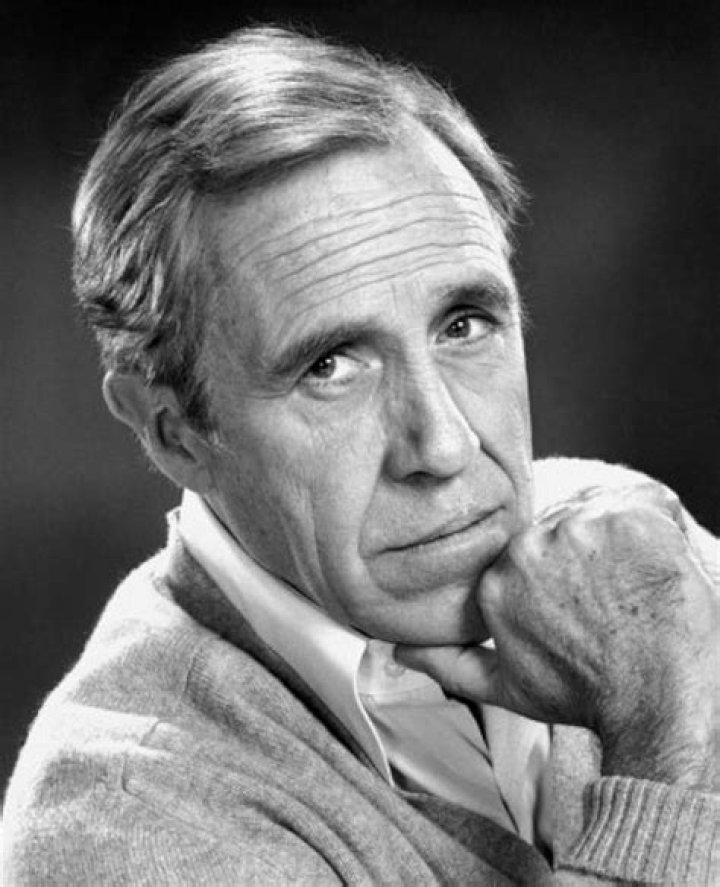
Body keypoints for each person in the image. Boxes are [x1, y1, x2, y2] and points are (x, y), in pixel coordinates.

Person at [3, 26, 718, 885]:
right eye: (331, 367)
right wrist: (666, 744)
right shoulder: (126, 822)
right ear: (173, 429)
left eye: (465, 325)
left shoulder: (632, 553)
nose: (444, 447)